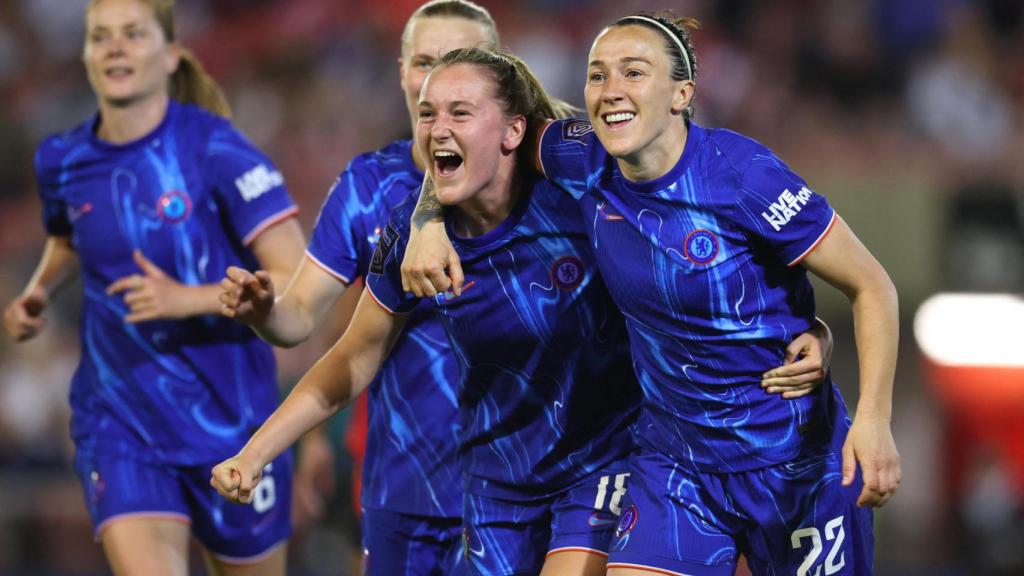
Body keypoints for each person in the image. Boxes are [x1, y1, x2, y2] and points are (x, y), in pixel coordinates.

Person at [213, 47, 835, 576]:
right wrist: (256, 451)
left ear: (514, 132)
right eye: (428, 114)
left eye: (461, 112)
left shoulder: (584, 190)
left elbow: (707, 239)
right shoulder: (409, 238)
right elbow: (352, 356)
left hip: (607, 462)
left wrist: (810, 327)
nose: (436, 128)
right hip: (494, 479)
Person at [401, 12, 902, 576]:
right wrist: (427, 220)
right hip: (675, 466)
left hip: (791, 461)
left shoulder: (745, 177)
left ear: (681, 94)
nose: (611, 91)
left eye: (633, 73)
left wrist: (874, 420)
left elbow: (873, 286)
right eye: (596, 75)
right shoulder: (579, 156)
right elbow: (471, 134)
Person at [2, 1, 305, 575]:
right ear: (87, 55)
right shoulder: (60, 160)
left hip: (233, 423)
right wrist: (40, 289)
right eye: (101, 37)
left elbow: (296, 275)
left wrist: (189, 299)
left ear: (169, 55)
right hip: (121, 419)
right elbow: (71, 233)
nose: (115, 47)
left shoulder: (218, 150)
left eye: (133, 35)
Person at [217, 2, 498, 574]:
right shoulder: (369, 189)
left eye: (458, 61)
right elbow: (306, 321)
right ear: (399, 71)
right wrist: (266, 312)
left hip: (519, 492)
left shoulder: (548, 185)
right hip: (404, 494)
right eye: (424, 62)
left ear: (500, 74)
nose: (437, 81)